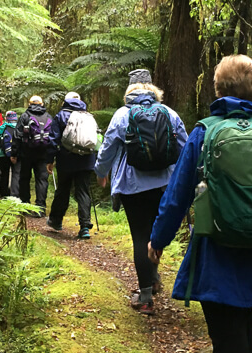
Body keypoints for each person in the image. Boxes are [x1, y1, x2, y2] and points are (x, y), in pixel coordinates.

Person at [148, 55, 252, 353]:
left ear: (218, 89)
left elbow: (177, 195)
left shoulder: (205, 131)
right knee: (240, 319)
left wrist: (158, 240)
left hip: (216, 253)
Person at [94, 79, 187, 315]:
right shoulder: (169, 112)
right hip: (165, 184)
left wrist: (101, 172)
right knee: (157, 232)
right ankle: (153, 277)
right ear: (156, 94)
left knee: (140, 236)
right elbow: (184, 147)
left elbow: (108, 147)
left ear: (128, 96)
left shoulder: (122, 114)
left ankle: (145, 297)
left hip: (133, 186)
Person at [46, 92, 95, 239]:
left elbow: (53, 139)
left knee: (63, 190)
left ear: (66, 101)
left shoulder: (61, 115)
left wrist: (50, 160)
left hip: (66, 160)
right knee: (83, 191)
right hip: (86, 160)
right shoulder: (88, 116)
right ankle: (85, 227)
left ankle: (56, 220)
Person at [15, 95, 52, 217]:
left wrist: (14, 153)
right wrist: (52, 156)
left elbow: (17, 135)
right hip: (43, 154)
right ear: (42, 104)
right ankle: (40, 208)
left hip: (26, 154)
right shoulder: (48, 117)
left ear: (29, 104)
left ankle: (25, 206)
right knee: (41, 180)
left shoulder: (25, 116)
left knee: (24, 179)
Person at [0, 111, 20, 198]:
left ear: (6, 118)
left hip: (3, 154)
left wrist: (0, 136)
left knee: (4, 174)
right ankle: (15, 194)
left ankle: (4, 194)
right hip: (17, 154)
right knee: (16, 173)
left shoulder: (4, 126)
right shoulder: (20, 126)